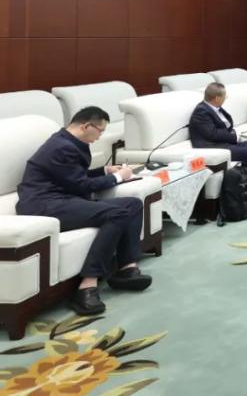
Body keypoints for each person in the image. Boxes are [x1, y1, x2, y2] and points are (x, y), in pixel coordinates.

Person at [16, 107, 151, 315]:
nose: (100, 136)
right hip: (44, 204)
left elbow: (72, 175)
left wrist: (104, 171)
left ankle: (126, 269)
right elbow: (79, 185)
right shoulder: (61, 146)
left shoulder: (69, 142)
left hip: (63, 198)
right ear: (86, 126)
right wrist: (118, 177)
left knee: (132, 204)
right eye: (100, 131)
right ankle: (87, 284)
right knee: (116, 213)